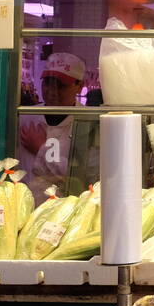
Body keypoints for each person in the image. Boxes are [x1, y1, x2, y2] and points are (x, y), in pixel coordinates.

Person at [18, 53, 94, 198]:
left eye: (61, 85)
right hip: (25, 208)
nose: (52, 91)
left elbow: (82, 176)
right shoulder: (25, 116)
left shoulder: (87, 122)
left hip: (66, 210)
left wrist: (41, 149)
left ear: (80, 86)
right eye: (48, 83)